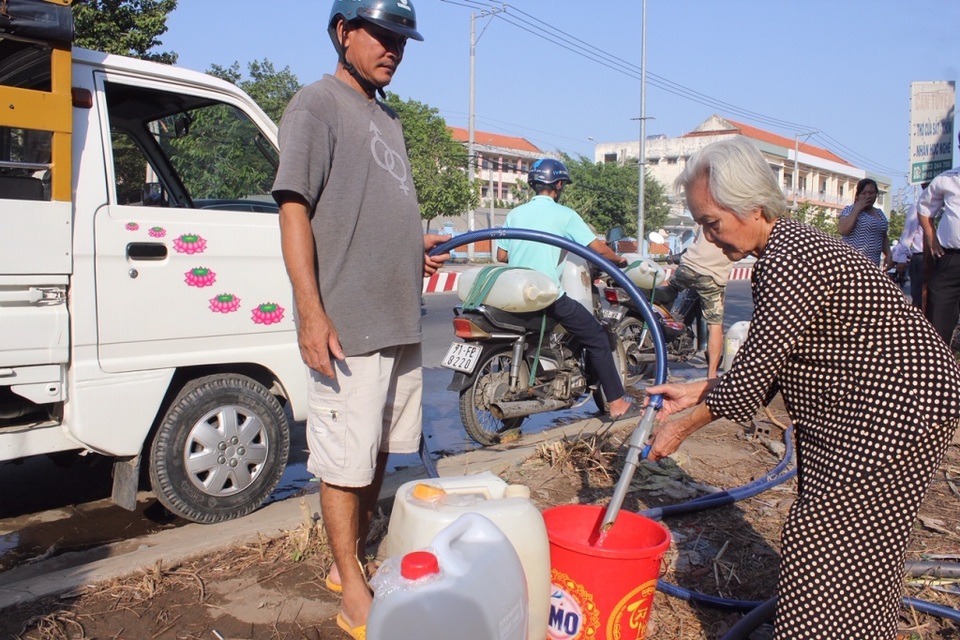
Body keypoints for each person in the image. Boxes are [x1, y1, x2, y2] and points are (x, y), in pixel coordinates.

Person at [643, 137, 960, 640]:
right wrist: (701, 389)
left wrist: (679, 429)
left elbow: (752, 379)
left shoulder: (787, 258)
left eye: (712, 222)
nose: (709, 237)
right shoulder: (789, 247)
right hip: (877, 404)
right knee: (861, 551)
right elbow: (772, 360)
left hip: (897, 408)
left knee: (824, 543)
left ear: (751, 205)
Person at [271, 1, 449, 636]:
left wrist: (411, 245)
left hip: (399, 319)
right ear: (344, 32)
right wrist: (310, 312)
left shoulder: (388, 117)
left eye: (401, 39)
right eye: (381, 35)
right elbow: (294, 209)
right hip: (347, 322)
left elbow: (364, 208)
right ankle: (352, 588)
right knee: (344, 462)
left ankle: (343, 564)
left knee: (374, 453)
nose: (393, 49)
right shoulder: (315, 105)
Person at [496, 158, 640, 421]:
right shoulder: (566, 215)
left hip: (516, 291)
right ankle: (618, 403)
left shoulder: (515, 213)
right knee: (596, 336)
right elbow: (598, 249)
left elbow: (501, 255)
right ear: (559, 185)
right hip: (546, 294)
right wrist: (618, 260)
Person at [656, 226, 732, 377]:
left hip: (689, 267)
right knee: (715, 325)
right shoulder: (738, 223)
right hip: (713, 276)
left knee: (665, 288)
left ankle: (655, 322)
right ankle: (711, 375)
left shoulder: (705, 219)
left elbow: (696, 242)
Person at [917, 144, 960, 345]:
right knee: (937, 318)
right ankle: (937, 360)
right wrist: (930, 234)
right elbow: (924, 207)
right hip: (951, 259)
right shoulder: (946, 179)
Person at [838, 177, 892, 268]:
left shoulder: (880, 213)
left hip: (873, 264)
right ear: (858, 195)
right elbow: (842, 230)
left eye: (871, 193)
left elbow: (883, 236)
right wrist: (857, 209)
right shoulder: (849, 209)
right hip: (852, 262)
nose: (868, 196)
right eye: (864, 193)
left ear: (876, 195)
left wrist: (888, 254)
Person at [892, 182, 929, 308]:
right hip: (921, 257)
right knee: (920, 299)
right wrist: (902, 258)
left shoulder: (946, 205)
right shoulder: (918, 206)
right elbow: (908, 233)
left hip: (944, 257)